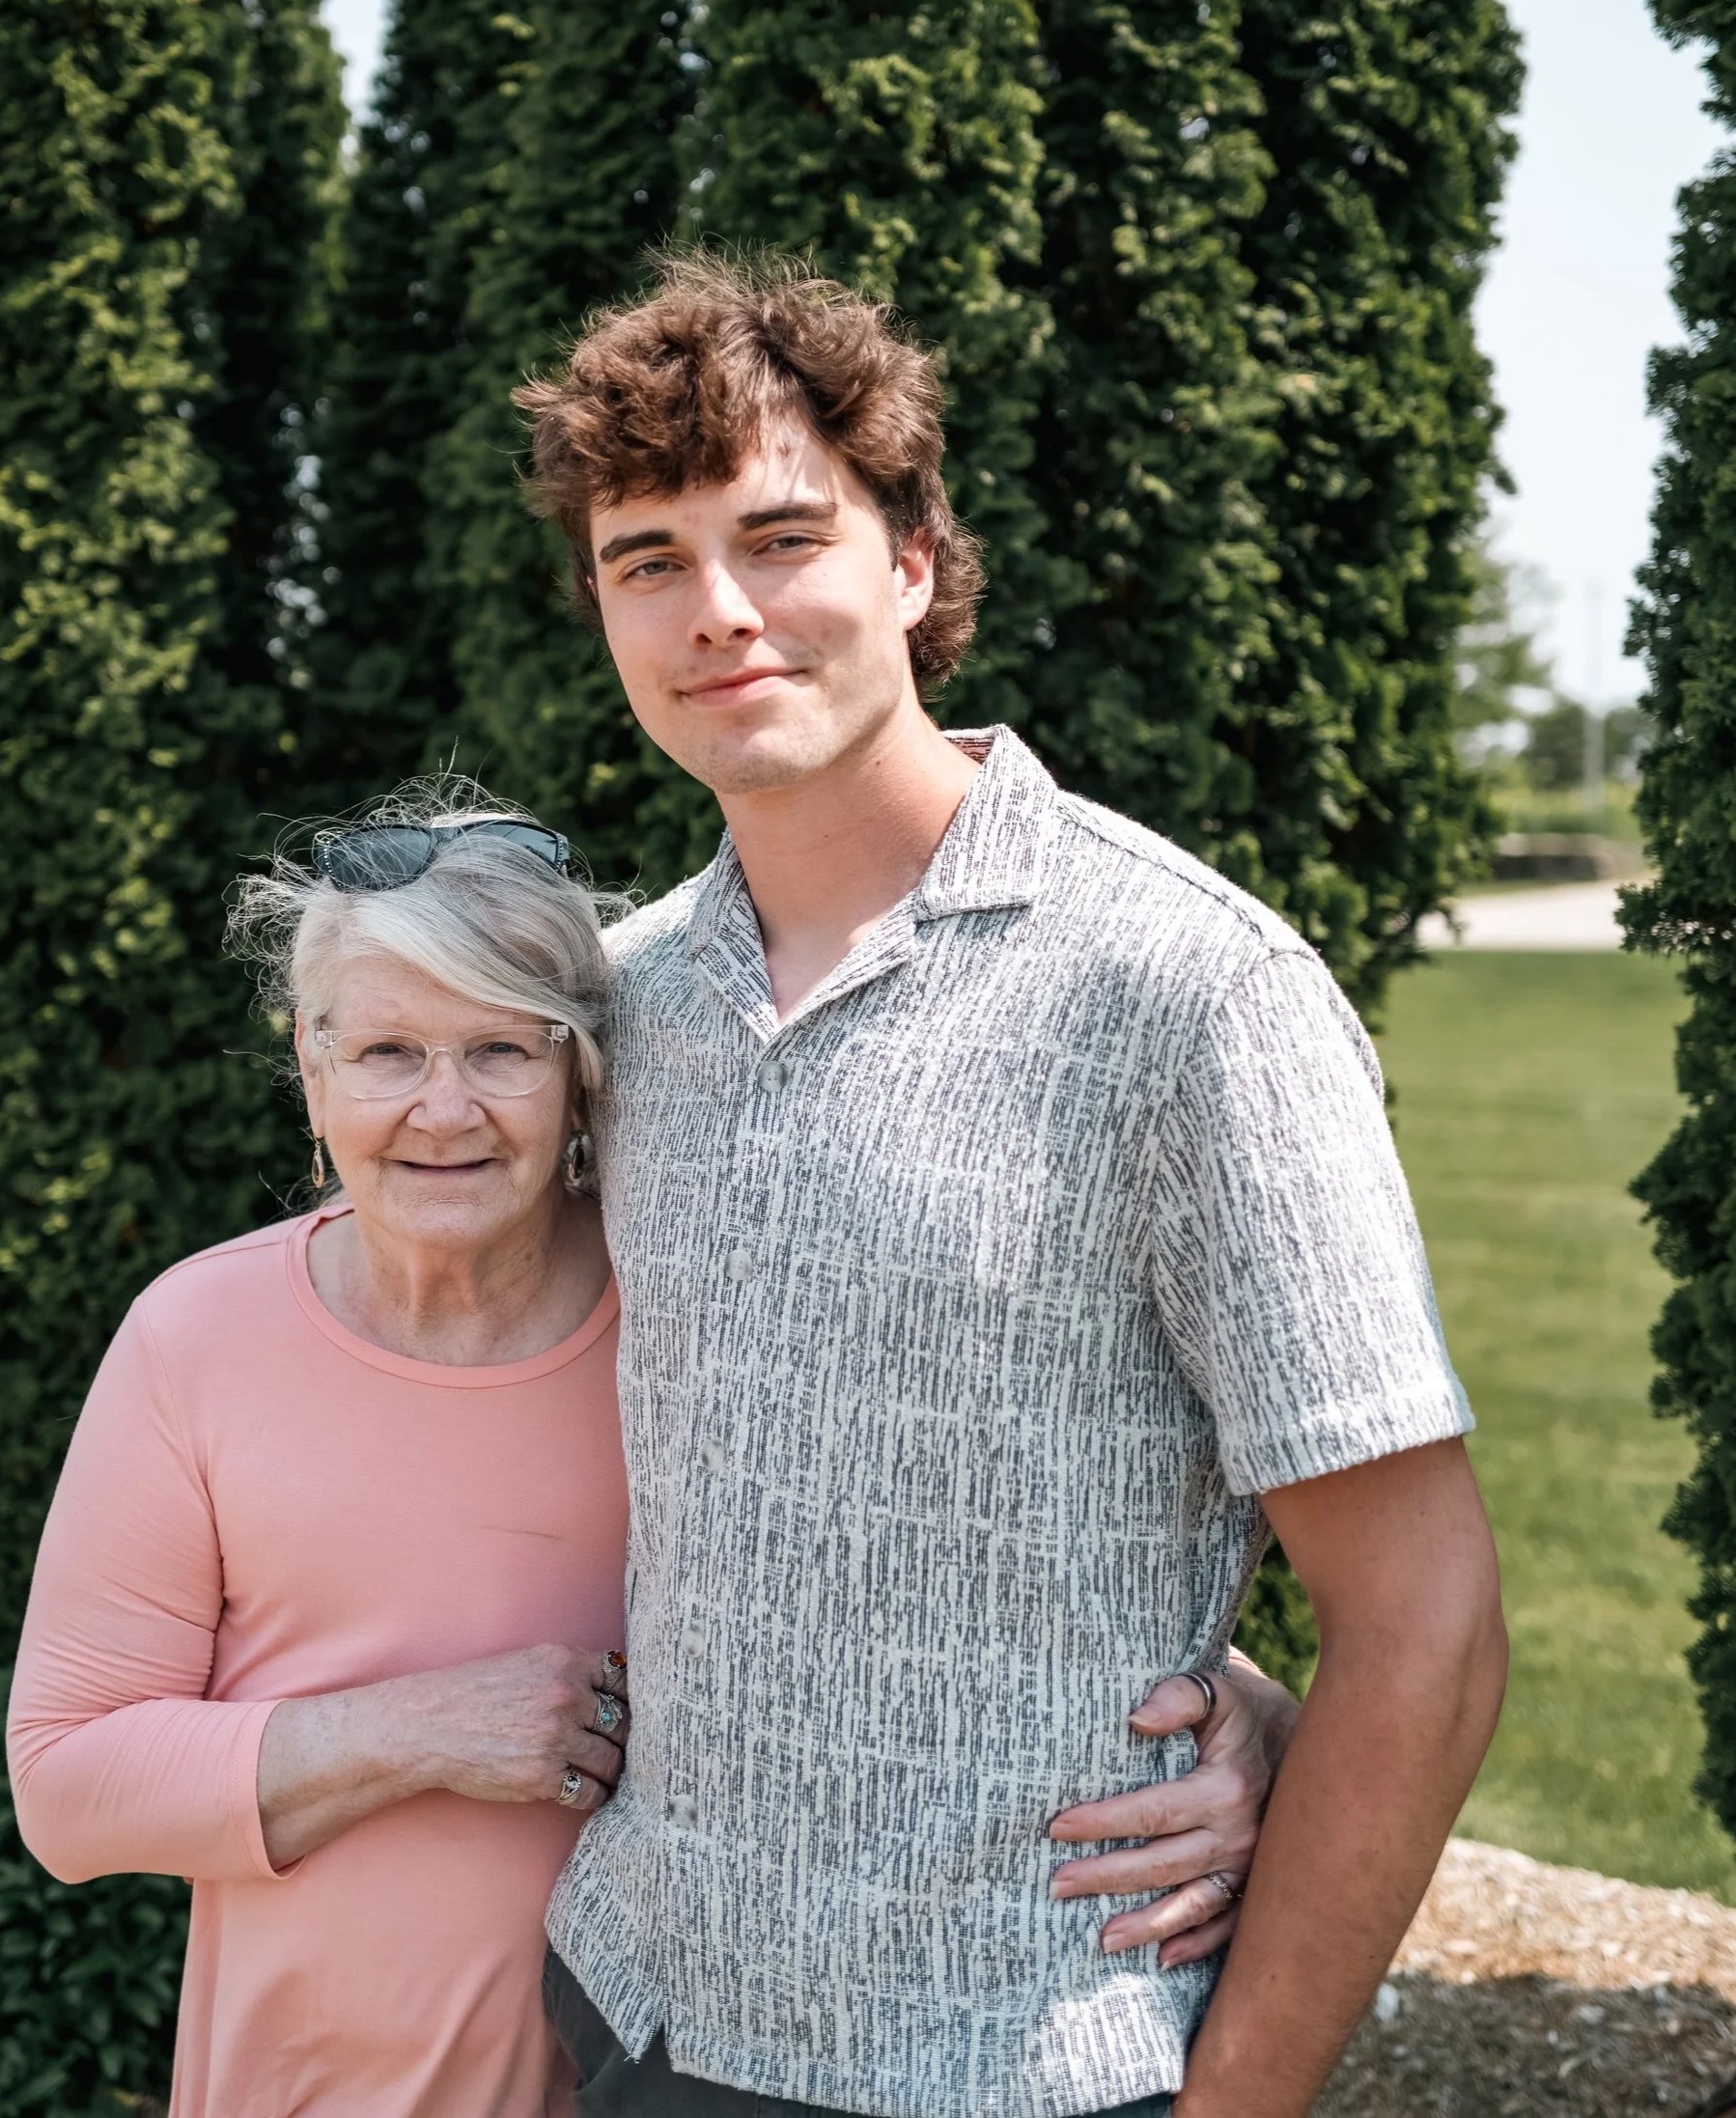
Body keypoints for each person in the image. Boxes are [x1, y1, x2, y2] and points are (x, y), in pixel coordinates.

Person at [516, 250, 1508, 2118]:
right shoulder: (627, 1000)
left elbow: (1428, 1623)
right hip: (646, 2004)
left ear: (909, 562)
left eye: (780, 536)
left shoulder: (1188, 991)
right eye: (646, 561)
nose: (716, 610)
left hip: (1018, 2055)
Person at [8, 803, 1290, 2118]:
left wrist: (1232, 1707)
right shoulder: (196, 1338)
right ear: (310, 1063)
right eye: (389, 1051)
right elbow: (68, 1782)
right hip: (321, 2085)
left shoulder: (697, 1306)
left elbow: (937, 1555)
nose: (442, 1110)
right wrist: (418, 1732)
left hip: (677, 2072)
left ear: (581, 1070)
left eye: (501, 1048)